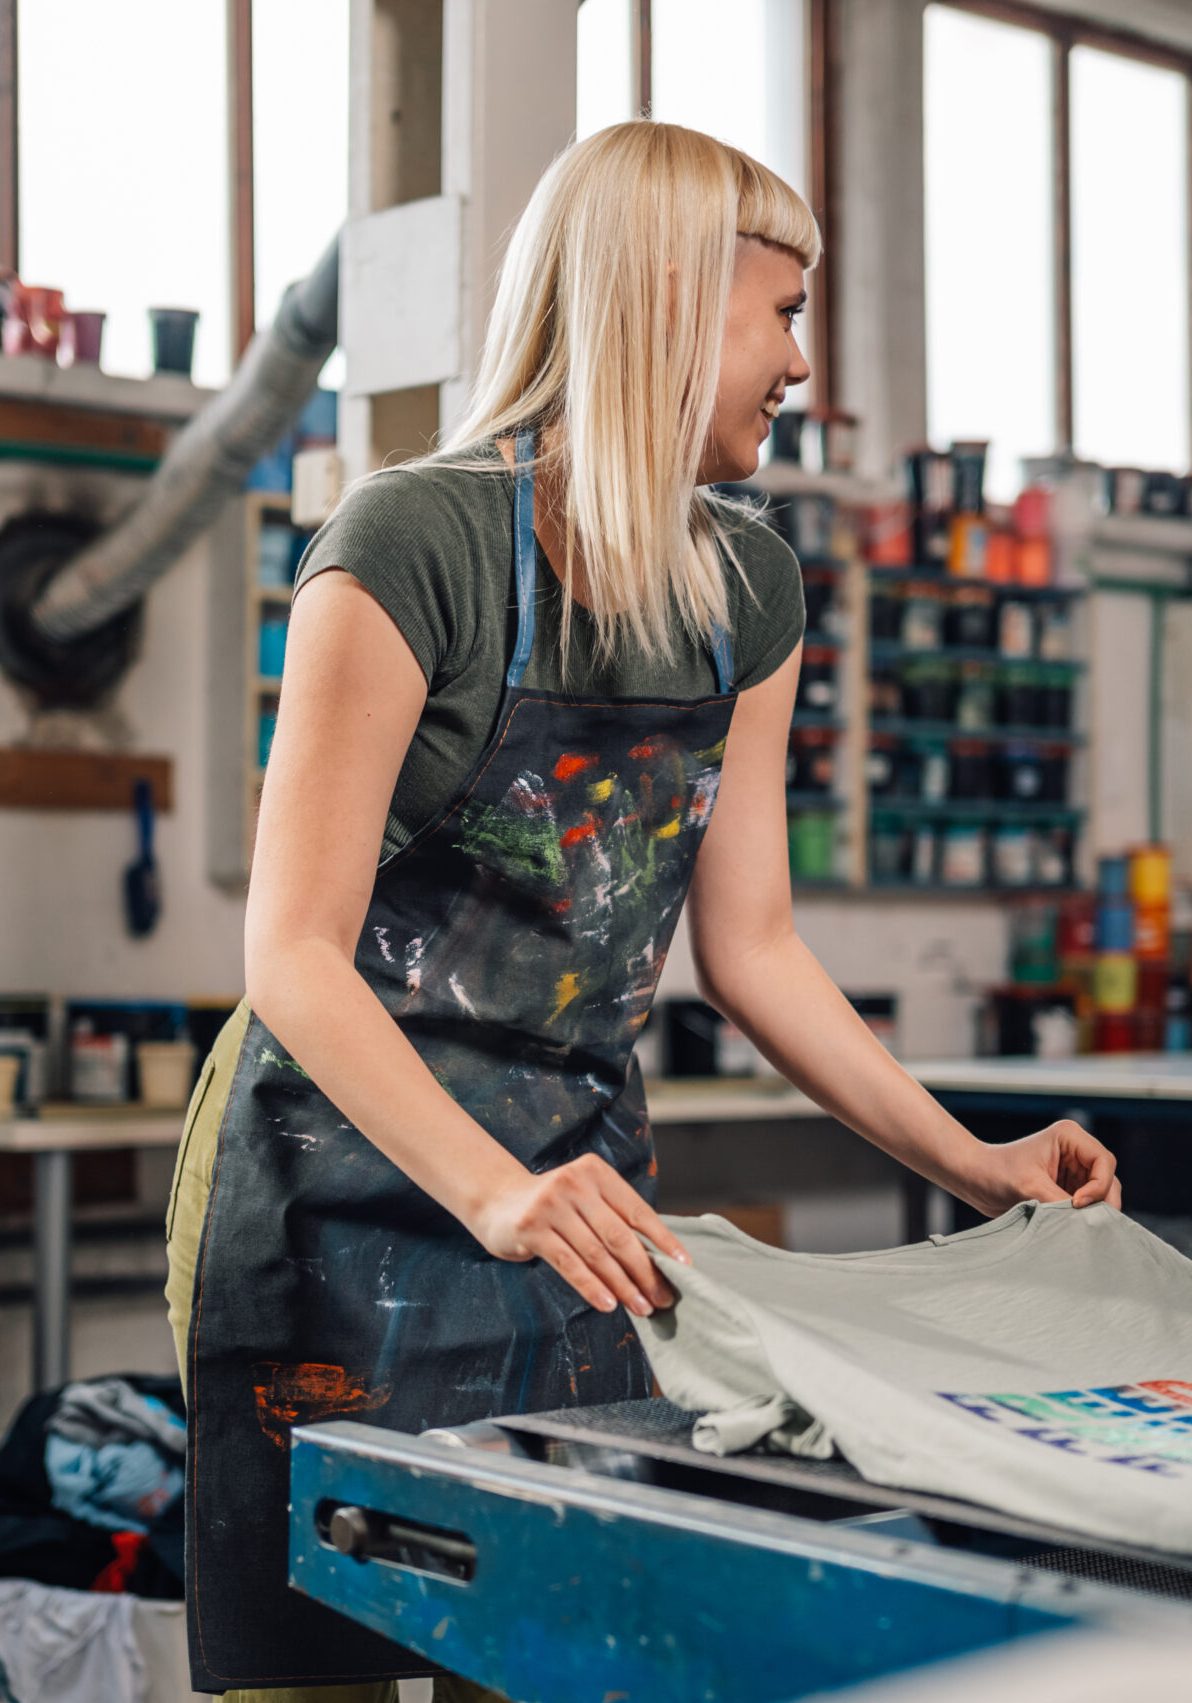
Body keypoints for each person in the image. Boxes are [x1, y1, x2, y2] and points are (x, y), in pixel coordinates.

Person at [164, 119, 1121, 1703]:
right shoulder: (414, 547)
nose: (803, 363)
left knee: (544, 1645)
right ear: (670, 302)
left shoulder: (747, 586)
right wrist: (492, 1192)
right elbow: (292, 955)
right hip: (333, 1185)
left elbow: (753, 948)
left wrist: (979, 1161)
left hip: (581, 1211)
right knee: (321, 1659)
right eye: (786, 311)